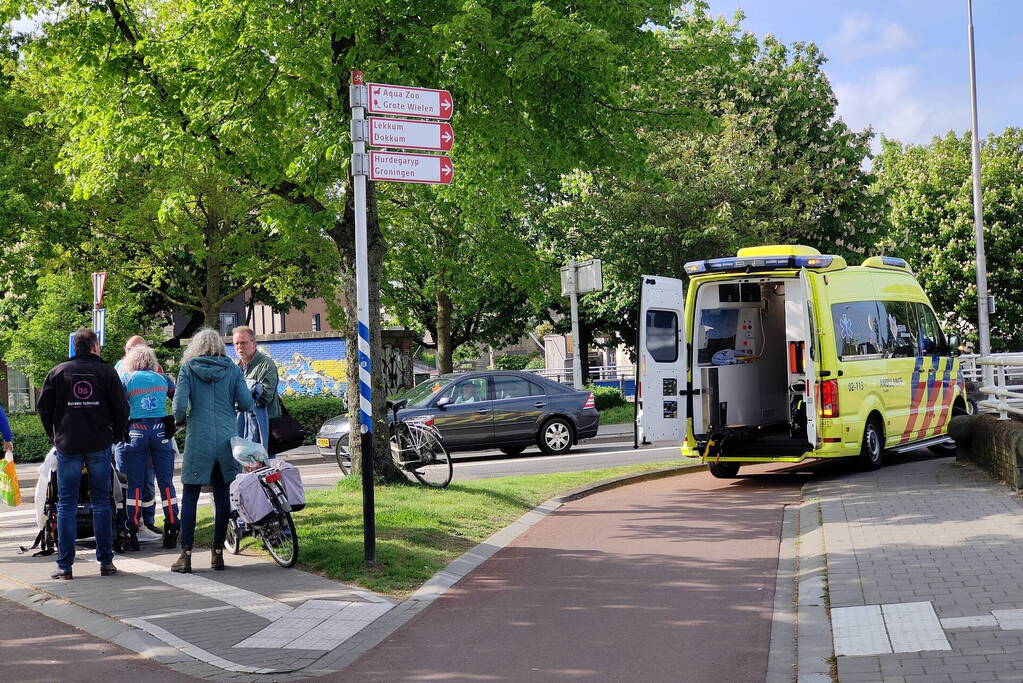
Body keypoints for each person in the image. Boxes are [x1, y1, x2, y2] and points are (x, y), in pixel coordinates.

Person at [36, 328, 129, 580]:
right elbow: (122, 406)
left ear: (74, 347)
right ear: (94, 346)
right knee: (101, 501)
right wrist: (117, 434)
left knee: (65, 503)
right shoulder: (107, 371)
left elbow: (43, 408)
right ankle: (106, 562)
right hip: (99, 441)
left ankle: (65, 565)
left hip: (68, 443)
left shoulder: (58, 372)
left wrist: (53, 436)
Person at [171, 328, 254, 573]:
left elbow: (179, 405)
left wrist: (180, 420)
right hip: (226, 440)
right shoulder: (232, 369)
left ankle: (185, 556)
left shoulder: (188, 369)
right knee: (221, 497)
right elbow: (247, 403)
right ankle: (218, 554)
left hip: (199, 439)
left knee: (190, 497)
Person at [120, 346, 179, 550]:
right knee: (166, 482)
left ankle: (132, 531)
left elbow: (118, 405)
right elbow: (178, 398)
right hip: (161, 431)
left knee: (134, 484)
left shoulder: (127, 379)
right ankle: (172, 527)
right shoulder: (162, 378)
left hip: (136, 430)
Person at [115, 335, 164, 542]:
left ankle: (145, 522)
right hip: (141, 432)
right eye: (129, 348)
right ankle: (131, 523)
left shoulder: (155, 370)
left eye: (136, 348)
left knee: (145, 481)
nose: (132, 352)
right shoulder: (120, 368)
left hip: (133, 433)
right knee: (130, 480)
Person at [232, 326, 280, 420]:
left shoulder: (266, 365)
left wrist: (239, 400)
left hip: (264, 424)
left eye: (243, 343)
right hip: (242, 424)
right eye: (236, 343)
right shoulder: (235, 368)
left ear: (254, 343)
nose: (239, 347)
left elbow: (264, 398)